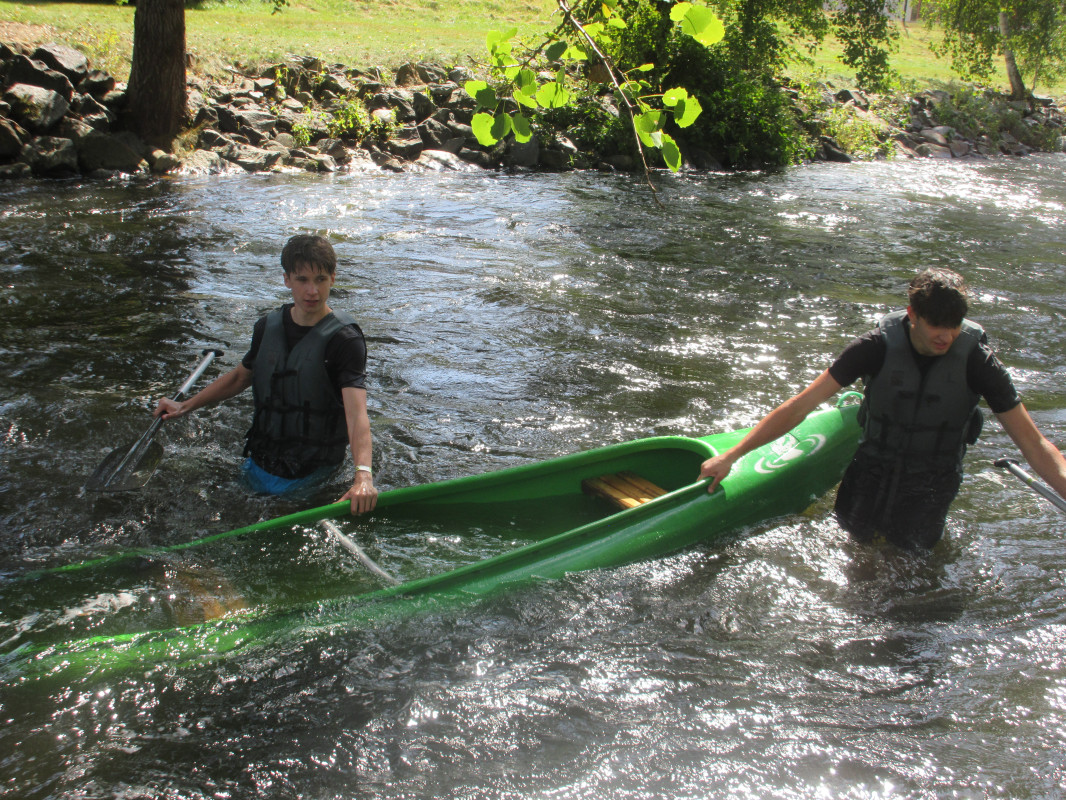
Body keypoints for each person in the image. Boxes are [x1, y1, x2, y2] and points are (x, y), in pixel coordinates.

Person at [699, 268, 1066, 550]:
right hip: (870, 469)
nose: (947, 336)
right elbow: (800, 406)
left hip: (932, 481)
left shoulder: (978, 362)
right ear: (913, 314)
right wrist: (732, 455)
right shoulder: (875, 347)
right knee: (851, 552)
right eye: (937, 326)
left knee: (907, 567)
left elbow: (1032, 443)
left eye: (954, 327)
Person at [155, 235, 378, 515]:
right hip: (258, 463)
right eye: (302, 280)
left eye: (320, 279)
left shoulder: (345, 340)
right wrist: (185, 406)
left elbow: (357, 415)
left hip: (313, 474)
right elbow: (240, 377)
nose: (312, 291)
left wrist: (363, 476)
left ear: (333, 278)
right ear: (287, 280)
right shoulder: (267, 327)